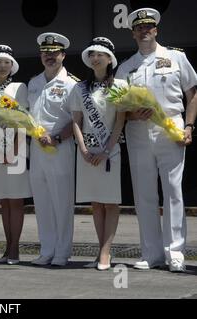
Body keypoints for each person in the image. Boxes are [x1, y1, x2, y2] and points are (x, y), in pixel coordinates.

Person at [115, 8, 197, 272]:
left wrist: (189, 125)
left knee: (173, 190)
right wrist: (130, 113)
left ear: (156, 29)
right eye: (139, 27)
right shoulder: (126, 67)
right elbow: (118, 107)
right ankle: (151, 253)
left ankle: (175, 253)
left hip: (170, 125)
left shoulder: (175, 57)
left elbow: (192, 94)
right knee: (144, 194)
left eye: (148, 26)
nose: (144, 30)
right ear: (133, 33)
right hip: (138, 130)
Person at [70, 37, 126, 270]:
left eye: (100, 55)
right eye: (92, 54)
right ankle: (100, 249)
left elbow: (120, 123)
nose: (95, 58)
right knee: (96, 202)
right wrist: (82, 149)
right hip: (86, 151)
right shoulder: (79, 88)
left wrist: (105, 151)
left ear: (109, 59)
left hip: (109, 150)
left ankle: (106, 252)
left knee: (110, 202)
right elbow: (76, 121)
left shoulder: (120, 86)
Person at [27, 33, 78, 267]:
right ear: (40, 55)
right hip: (37, 150)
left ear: (63, 55)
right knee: (42, 202)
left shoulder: (72, 84)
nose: (50, 56)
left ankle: (62, 251)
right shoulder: (34, 82)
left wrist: (57, 137)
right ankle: (46, 249)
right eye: (46, 53)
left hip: (60, 148)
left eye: (54, 53)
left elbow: (79, 120)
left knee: (62, 202)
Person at [0, 45, 32, 265]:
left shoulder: (20, 88)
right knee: (4, 201)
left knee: (16, 200)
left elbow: (24, 120)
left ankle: (15, 249)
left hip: (16, 150)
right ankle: (7, 246)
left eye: (6, 62)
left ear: (12, 66)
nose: (2, 66)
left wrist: (13, 150)